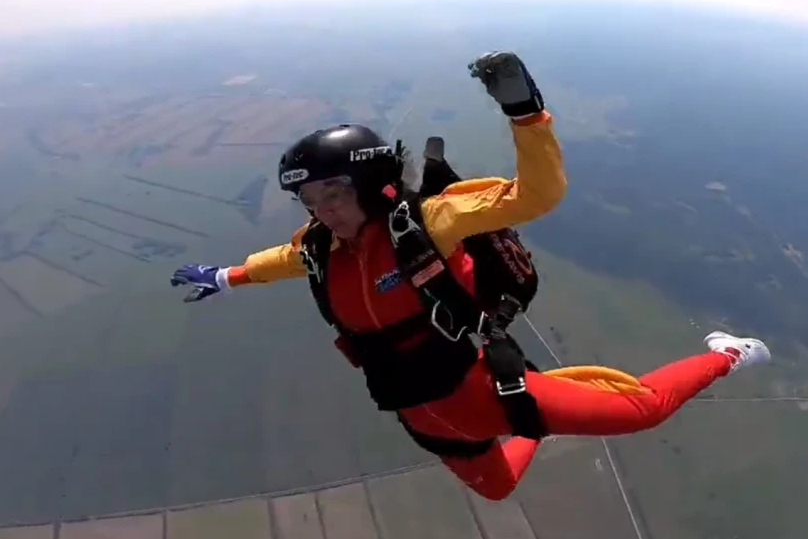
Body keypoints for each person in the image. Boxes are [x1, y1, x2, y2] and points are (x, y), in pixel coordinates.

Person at [170, 50, 772, 501]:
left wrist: (525, 115)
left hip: (485, 389)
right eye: (310, 199)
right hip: (416, 412)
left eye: (334, 191)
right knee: (499, 487)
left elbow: (535, 196)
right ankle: (549, 408)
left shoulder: (428, 220)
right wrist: (224, 277)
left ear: (370, 182)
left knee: (642, 412)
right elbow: (283, 258)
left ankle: (728, 353)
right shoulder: (323, 245)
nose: (322, 208)